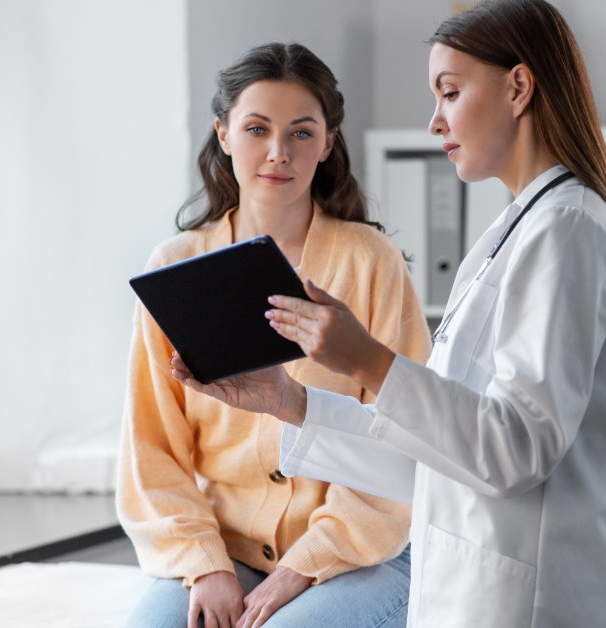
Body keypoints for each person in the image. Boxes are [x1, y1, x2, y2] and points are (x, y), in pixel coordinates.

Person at [173, 1, 606, 626]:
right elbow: (437, 454)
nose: (434, 121)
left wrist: (367, 360)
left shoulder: (568, 230)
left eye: (450, 93)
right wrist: (288, 401)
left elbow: (515, 451)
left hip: (538, 600)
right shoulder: (518, 230)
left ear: (519, 86)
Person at [118, 42, 432, 628]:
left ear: (329, 143)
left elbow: (408, 434)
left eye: (302, 133)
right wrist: (205, 564)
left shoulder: (371, 263)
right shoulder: (174, 268)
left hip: (365, 550)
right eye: (257, 129)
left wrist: (304, 566)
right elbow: (151, 450)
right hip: (226, 550)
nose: (278, 153)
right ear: (224, 134)